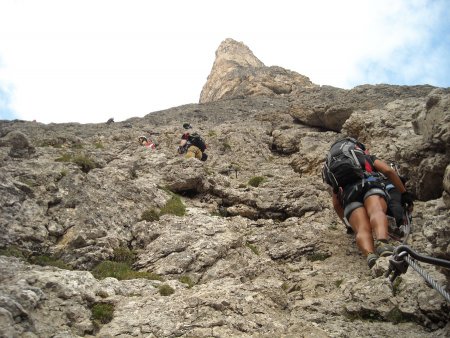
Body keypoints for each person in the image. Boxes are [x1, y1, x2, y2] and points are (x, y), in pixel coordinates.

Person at [323, 137, 414, 269]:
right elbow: (388, 171)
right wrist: (404, 193)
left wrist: (348, 224)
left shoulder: (330, 168)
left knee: (361, 228)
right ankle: (382, 243)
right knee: (376, 211)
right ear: (357, 147)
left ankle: (370, 255)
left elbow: (336, 203)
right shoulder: (364, 156)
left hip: (349, 196)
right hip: (370, 185)